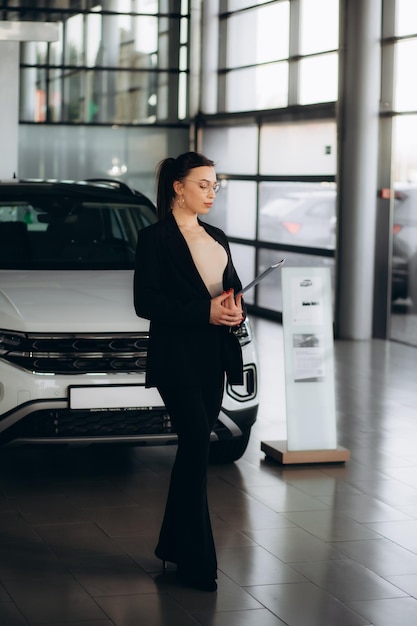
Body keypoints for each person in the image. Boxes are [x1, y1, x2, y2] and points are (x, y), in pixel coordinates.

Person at [133, 151, 245, 592]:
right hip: (177, 357)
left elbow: (230, 288)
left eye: (215, 184)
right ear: (178, 187)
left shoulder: (216, 236)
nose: (211, 192)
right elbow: (148, 304)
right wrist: (204, 313)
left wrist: (234, 310)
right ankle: (198, 561)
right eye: (203, 184)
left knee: (194, 450)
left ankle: (174, 546)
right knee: (197, 443)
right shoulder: (154, 238)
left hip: (213, 356)